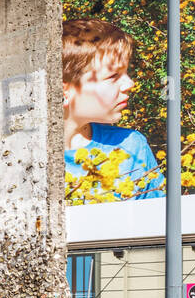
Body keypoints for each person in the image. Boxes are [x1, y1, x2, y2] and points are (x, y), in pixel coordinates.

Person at [62, 19, 162, 201]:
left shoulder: (130, 146)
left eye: (126, 72)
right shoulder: (25, 158)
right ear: (64, 91)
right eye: (113, 76)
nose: (130, 84)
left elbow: (157, 221)